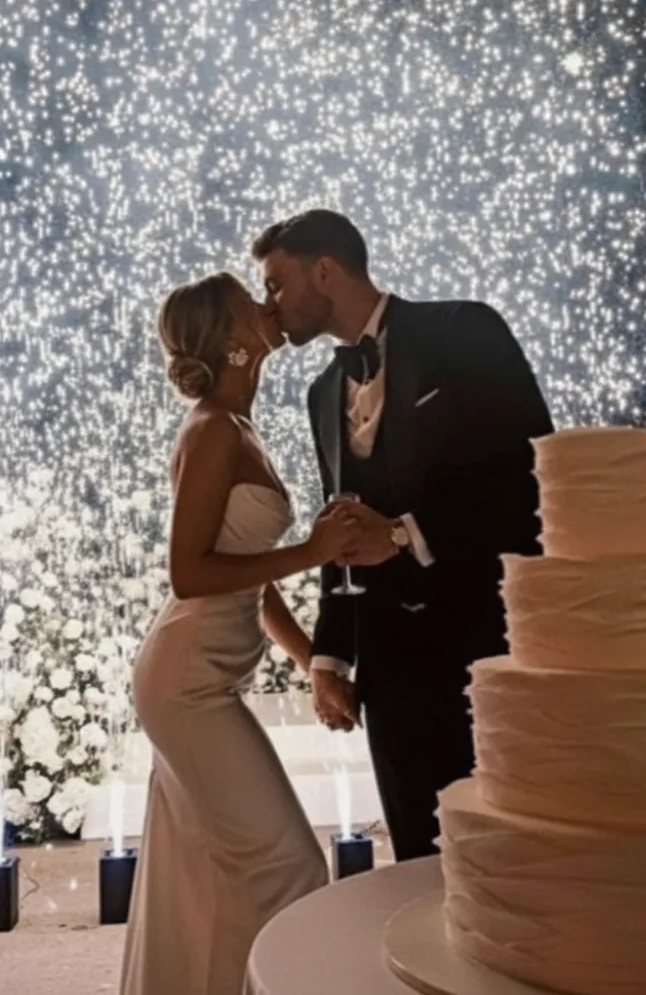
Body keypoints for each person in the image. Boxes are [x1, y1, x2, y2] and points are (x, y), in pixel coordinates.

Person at [252, 210, 553, 862]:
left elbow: (533, 474)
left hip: (486, 647)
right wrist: (329, 657)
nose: (268, 305)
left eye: (276, 285)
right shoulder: (320, 392)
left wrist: (404, 533)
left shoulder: (464, 329)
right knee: (418, 861)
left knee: (510, 858)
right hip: (389, 675)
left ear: (324, 271)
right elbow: (340, 528)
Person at [119, 272, 357, 995]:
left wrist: (313, 660)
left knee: (205, 874)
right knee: (288, 864)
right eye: (249, 304)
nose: (267, 305)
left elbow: (252, 580)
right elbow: (189, 573)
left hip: (203, 680)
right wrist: (314, 551)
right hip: (185, 685)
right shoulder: (212, 429)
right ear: (232, 342)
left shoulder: (237, 423)